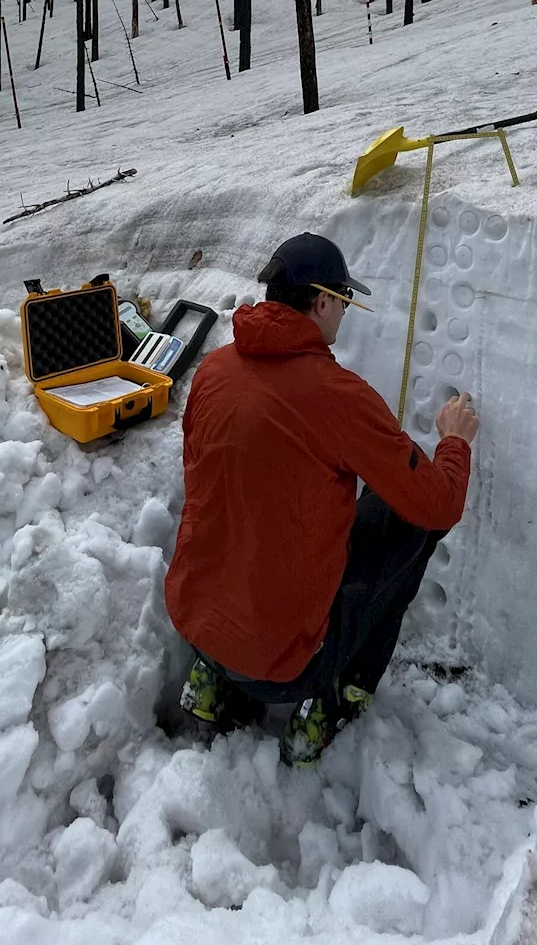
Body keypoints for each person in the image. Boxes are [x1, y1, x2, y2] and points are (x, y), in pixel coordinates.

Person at [165, 231, 478, 766]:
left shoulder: (213, 370)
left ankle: (211, 681)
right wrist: (454, 443)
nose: (344, 315)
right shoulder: (337, 395)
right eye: (344, 301)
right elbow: (438, 503)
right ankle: (333, 701)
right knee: (406, 519)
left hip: (200, 623)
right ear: (322, 299)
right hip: (285, 663)